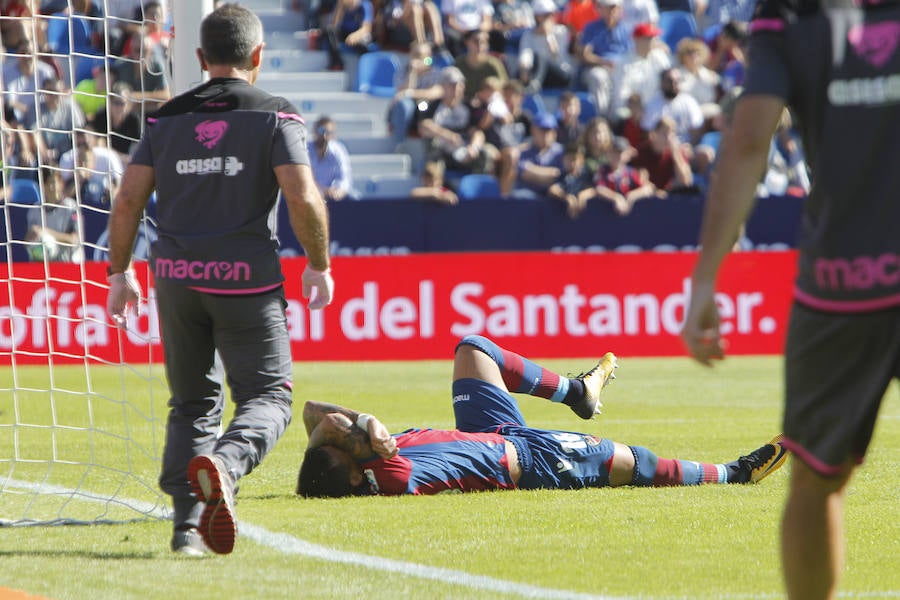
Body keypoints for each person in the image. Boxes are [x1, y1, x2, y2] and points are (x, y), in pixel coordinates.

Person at [680, 0, 900, 598]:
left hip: (844, 280)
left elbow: (751, 141)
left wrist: (705, 279)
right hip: (844, 283)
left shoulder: (789, 12)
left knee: (816, 482)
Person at [104, 3, 334, 557]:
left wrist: (118, 272)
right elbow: (302, 196)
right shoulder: (275, 114)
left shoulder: (166, 117)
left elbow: (129, 197)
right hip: (245, 279)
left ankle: (186, 528)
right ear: (258, 56)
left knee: (190, 403)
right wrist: (319, 263)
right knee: (269, 394)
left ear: (203, 58)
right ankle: (226, 467)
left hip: (176, 277)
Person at [297, 334, 788, 497]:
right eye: (338, 446)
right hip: (531, 460)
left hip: (485, 431)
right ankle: (734, 474)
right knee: (633, 464)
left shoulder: (363, 462)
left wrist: (346, 431)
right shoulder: (392, 474)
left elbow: (311, 413)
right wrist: (358, 423)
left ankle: (579, 392)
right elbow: (346, 426)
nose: (332, 435)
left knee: (473, 348)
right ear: (358, 471)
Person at [25, 166, 82, 263]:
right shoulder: (34, 211)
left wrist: (47, 233)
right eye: (48, 183)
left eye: (54, 183)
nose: (52, 187)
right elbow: (27, 242)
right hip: (42, 265)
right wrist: (30, 239)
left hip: (68, 264)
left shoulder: (70, 207)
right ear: (43, 186)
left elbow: (74, 240)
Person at [308, 115, 357, 201]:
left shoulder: (338, 150)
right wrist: (322, 190)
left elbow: (345, 178)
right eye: (321, 131)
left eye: (328, 132)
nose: (324, 136)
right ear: (315, 131)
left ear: (333, 134)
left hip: (333, 197)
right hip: (310, 196)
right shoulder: (305, 150)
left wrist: (338, 191)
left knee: (354, 197)